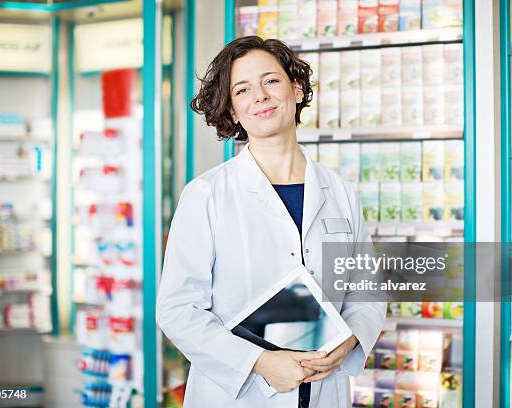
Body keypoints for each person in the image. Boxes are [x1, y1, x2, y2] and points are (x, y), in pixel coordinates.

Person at [156, 36, 385, 408]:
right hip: (241, 395)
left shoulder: (340, 192)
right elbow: (177, 310)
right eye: (242, 90)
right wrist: (260, 362)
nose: (259, 96)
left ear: (296, 89)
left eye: (271, 81)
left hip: (324, 390)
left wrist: (350, 341)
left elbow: (365, 293)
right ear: (232, 111)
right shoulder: (206, 195)